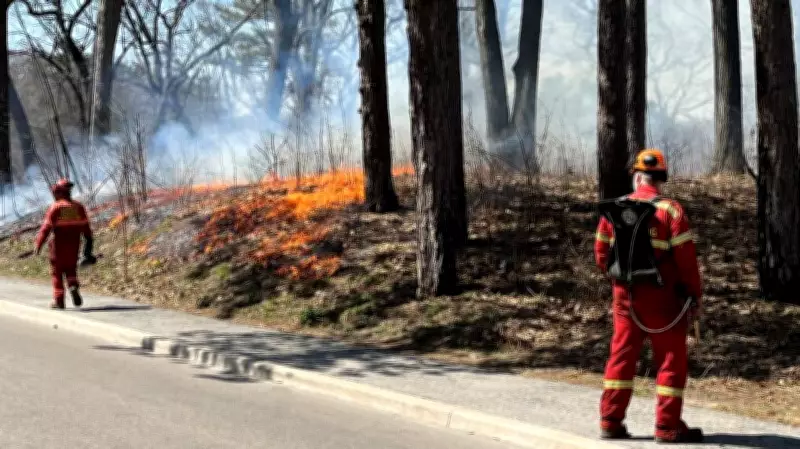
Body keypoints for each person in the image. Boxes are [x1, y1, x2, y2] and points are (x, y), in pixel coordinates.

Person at [594, 149, 704, 443]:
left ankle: (610, 421)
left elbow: (601, 255)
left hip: (625, 298)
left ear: (637, 177)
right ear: (661, 179)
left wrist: (621, 283)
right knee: (670, 360)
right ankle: (667, 427)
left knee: (621, 357)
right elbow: (686, 261)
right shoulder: (671, 211)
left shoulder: (614, 209)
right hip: (664, 300)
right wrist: (694, 295)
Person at [34, 179, 95, 309]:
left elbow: (45, 229)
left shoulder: (55, 208)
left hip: (58, 248)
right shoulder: (78, 207)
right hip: (74, 247)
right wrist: (88, 245)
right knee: (71, 270)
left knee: (57, 274)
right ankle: (73, 286)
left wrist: (38, 245)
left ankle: (59, 300)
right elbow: (86, 229)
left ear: (58, 192)